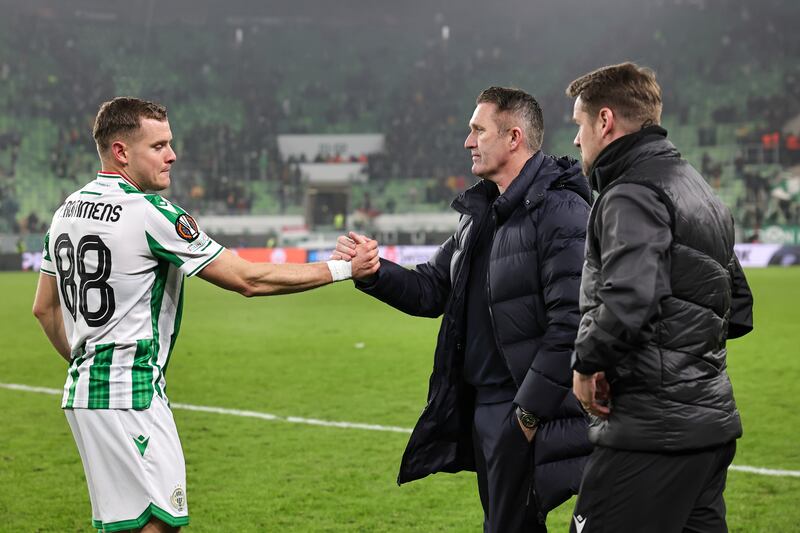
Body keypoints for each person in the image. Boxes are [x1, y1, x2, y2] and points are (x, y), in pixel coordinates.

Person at [31, 97, 379, 533]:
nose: (172, 155)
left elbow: (43, 309)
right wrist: (344, 269)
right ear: (121, 152)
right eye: (158, 146)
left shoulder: (66, 211)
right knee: (159, 525)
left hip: (85, 394)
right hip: (130, 394)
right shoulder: (149, 213)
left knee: (138, 525)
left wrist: (87, 368)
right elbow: (248, 279)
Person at [334, 87, 593, 532]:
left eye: (478, 130)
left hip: (528, 407)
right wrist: (373, 271)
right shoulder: (480, 211)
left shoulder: (559, 209)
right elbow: (432, 289)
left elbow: (571, 323)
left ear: (513, 137)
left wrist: (527, 415)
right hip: (487, 406)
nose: (468, 142)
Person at [565, 63, 754, 533]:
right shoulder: (701, 192)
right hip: (707, 426)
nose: (576, 139)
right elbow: (738, 308)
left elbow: (631, 296)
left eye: (579, 124)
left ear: (605, 121)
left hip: (649, 433)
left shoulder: (631, 192)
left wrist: (587, 363)